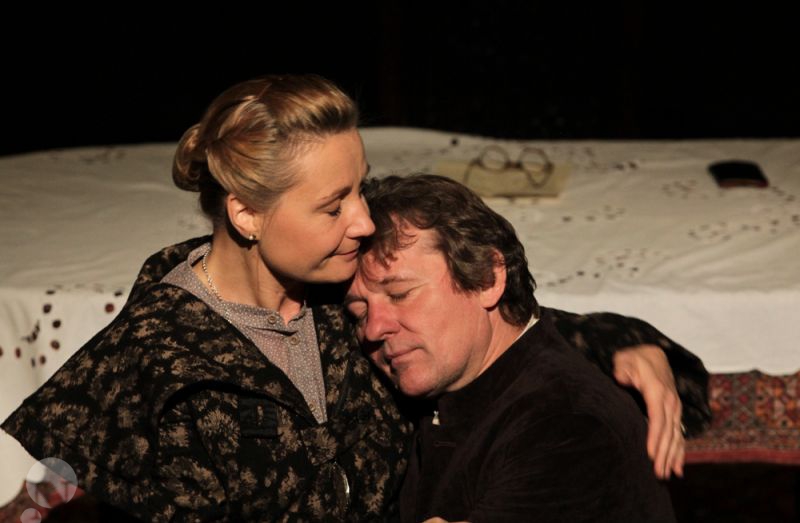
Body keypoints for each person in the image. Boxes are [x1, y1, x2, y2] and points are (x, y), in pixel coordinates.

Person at [1, 75, 707, 522]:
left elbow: (484, 321)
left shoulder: (343, 293)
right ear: (246, 214)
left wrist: (621, 341)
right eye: (333, 205)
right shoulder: (161, 343)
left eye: (360, 189)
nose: (364, 221)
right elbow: (67, 460)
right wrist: (33, 507)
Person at [345, 174, 706, 522]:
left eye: (400, 294)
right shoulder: (467, 378)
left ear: (487, 278)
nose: (374, 328)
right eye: (359, 313)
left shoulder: (569, 429)